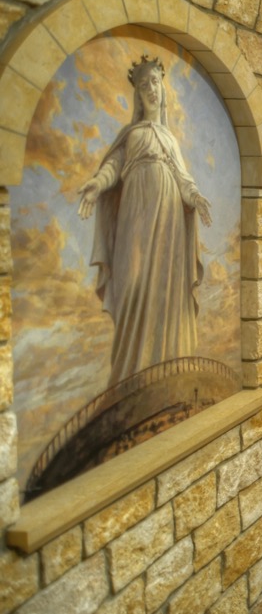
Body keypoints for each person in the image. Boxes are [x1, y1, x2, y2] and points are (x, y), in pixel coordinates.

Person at [77, 56, 212, 386]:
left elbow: (183, 179)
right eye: (143, 85)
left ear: (162, 89)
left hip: (169, 221)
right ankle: (130, 375)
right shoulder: (132, 134)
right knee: (133, 281)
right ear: (137, 95)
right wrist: (96, 184)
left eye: (155, 82)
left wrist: (196, 198)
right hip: (136, 216)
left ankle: (166, 370)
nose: (151, 89)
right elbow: (112, 167)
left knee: (167, 289)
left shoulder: (170, 140)